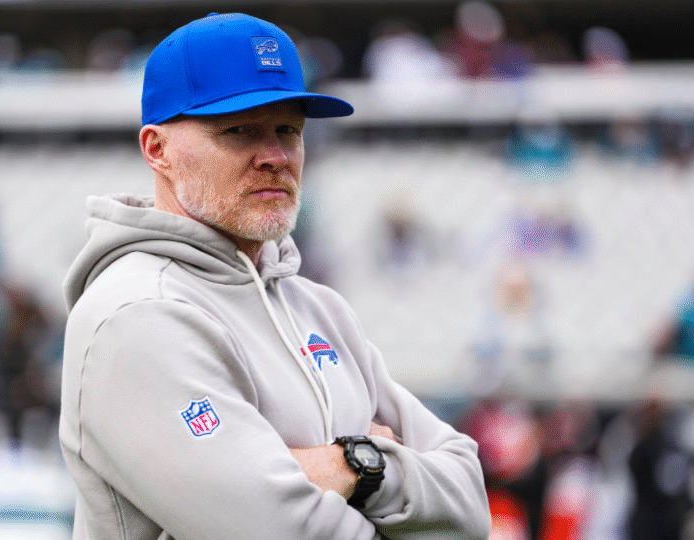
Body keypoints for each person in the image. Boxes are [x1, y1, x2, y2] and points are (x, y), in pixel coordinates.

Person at [59, 13, 490, 540]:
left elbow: (469, 503)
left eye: (288, 130)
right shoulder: (136, 314)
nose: (275, 157)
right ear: (157, 149)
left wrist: (354, 467)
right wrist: (383, 468)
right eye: (239, 131)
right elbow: (274, 531)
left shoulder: (319, 308)